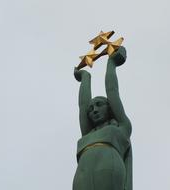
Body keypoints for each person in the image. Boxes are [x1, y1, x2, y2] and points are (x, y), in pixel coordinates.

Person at [73, 46, 132, 190]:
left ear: (110, 108)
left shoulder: (121, 127)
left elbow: (112, 91)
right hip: (83, 172)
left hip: (108, 167)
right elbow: (83, 106)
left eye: (99, 105)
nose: (94, 110)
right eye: (92, 108)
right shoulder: (88, 133)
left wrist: (111, 63)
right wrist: (85, 78)